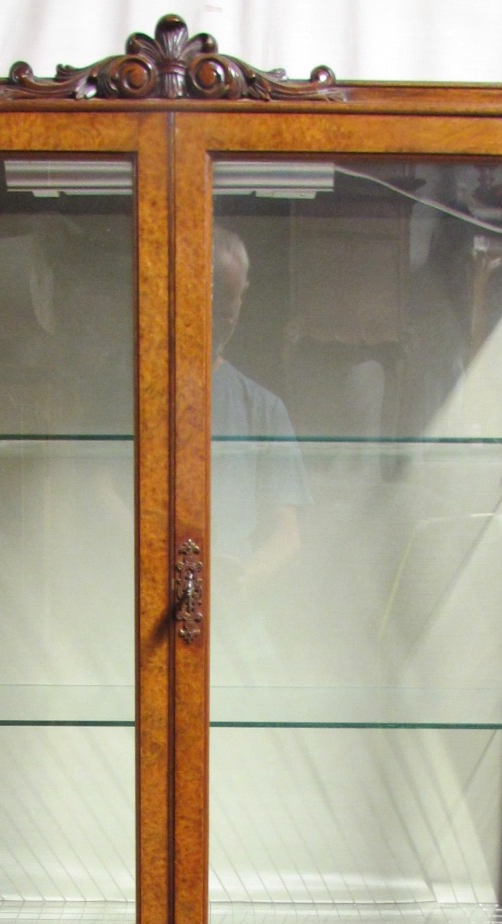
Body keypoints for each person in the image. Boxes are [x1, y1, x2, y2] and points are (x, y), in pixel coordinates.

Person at [210, 225, 310, 681]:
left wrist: (237, 583)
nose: (222, 317)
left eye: (230, 303)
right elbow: (96, 494)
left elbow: (287, 535)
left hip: (235, 621)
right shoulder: (130, 397)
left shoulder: (264, 408)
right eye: (213, 299)